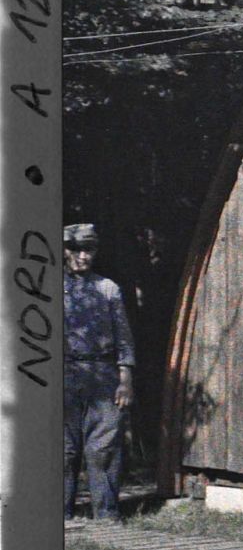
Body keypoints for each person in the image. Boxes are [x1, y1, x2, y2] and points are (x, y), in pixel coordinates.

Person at [63, 223, 135, 522]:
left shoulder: (108, 288)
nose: (82, 256)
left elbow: (123, 337)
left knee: (103, 448)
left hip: (103, 374)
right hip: (63, 373)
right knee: (63, 449)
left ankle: (106, 514)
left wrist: (125, 380)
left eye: (88, 249)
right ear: (64, 251)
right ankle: (59, 514)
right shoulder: (47, 288)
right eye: (76, 249)